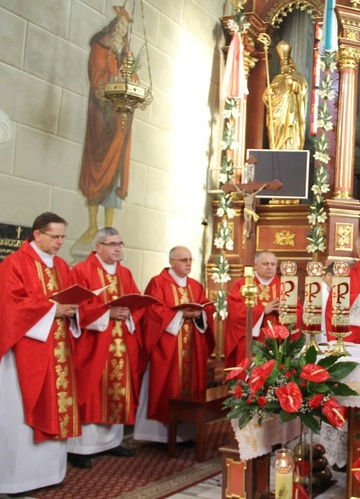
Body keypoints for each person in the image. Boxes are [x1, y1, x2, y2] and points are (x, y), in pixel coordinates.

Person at [0, 213, 81, 494]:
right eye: (54, 236)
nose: (60, 242)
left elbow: (68, 297)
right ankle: (17, 479)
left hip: (58, 348)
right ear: (37, 235)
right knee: (21, 411)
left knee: (57, 405)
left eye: (62, 237)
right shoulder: (14, 263)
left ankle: (51, 472)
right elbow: (11, 305)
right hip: (26, 351)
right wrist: (52, 310)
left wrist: (73, 309)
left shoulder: (61, 265)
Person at [67, 227, 142, 468]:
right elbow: (75, 308)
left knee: (117, 390)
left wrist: (129, 312)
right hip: (94, 344)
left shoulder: (126, 273)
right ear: (98, 247)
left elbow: (136, 301)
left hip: (121, 343)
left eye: (120, 243)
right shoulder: (81, 271)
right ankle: (80, 448)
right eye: (112, 244)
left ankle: (111, 443)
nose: (118, 248)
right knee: (91, 392)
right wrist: (107, 312)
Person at [134, 246, 216, 443]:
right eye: (183, 260)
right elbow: (153, 312)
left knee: (190, 388)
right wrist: (179, 314)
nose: (188, 263)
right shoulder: (158, 283)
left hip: (191, 346)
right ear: (172, 262)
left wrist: (200, 313)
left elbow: (206, 306)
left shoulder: (195, 286)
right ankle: (159, 437)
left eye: (190, 260)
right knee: (165, 386)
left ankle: (186, 434)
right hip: (166, 348)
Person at [79, 6, 135, 244]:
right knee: (97, 167)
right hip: (101, 116)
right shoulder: (100, 47)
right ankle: (92, 225)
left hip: (119, 119)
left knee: (115, 172)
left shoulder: (124, 54)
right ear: (113, 25)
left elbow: (134, 80)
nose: (123, 30)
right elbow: (96, 77)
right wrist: (115, 81)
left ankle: (109, 229)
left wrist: (130, 79)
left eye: (126, 27)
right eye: (120, 25)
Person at [225, 251, 302, 367]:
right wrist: (263, 310)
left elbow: (298, 311)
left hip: (278, 342)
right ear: (255, 265)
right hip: (250, 343)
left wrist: (285, 312)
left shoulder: (285, 286)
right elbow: (235, 312)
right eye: (265, 264)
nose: (269, 267)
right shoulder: (242, 285)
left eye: (272, 264)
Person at [263, 40, 308, 150]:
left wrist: (293, 84)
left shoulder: (297, 76)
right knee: (277, 129)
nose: (284, 65)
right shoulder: (277, 79)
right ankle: (276, 147)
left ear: (290, 62)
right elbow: (269, 98)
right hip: (278, 114)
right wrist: (268, 94)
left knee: (290, 129)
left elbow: (303, 89)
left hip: (291, 111)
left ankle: (291, 147)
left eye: (286, 62)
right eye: (282, 63)